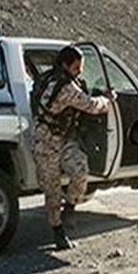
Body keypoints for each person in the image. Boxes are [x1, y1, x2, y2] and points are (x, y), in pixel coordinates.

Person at [32, 45, 115, 250]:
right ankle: (58, 231)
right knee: (52, 191)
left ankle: (69, 207)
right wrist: (108, 100)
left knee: (80, 172)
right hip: (46, 143)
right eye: (77, 67)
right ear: (65, 65)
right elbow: (91, 106)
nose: (80, 71)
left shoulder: (62, 80)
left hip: (64, 140)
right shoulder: (64, 87)